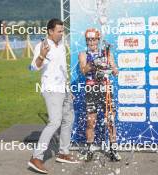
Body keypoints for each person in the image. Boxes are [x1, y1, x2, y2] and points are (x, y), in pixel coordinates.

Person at [28, 18, 79, 174]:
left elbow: (63, 69)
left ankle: (64, 152)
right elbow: (33, 68)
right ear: (50, 31)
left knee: (68, 119)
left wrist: (68, 89)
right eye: (59, 31)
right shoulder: (42, 46)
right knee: (55, 122)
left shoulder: (62, 46)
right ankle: (36, 158)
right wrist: (42, 55)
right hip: (51, 89)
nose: (62, 34)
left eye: (63, 31)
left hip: (63, 89)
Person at [78, 28, 121, 162]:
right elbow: (84, 70)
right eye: (88, 40)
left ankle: (113, 149)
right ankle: (90, 149)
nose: (91, 42)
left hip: (105, 89)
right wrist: (93, 64)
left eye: (94, 39)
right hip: (91, 89)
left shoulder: (106, 53)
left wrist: (111, 70)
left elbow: (115, 70)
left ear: (98, 40)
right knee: (91, 121)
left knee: (110, 120)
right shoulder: (83, 54)